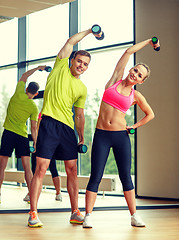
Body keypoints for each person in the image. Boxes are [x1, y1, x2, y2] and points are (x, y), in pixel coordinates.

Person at [28, 27, 100, 228]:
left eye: (85, 64)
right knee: (41, 169)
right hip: (49, 124)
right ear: (71, 60)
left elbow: (79, 115)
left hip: (67, 130)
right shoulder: (59, 67)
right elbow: (69, 42)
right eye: (79, 61)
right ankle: (33, 212)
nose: (81, 65)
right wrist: (89, 32)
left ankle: (75, 212)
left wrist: (82, 137)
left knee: (72, 169)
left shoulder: (82, 88)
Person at [83, 38, 158, 228]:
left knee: (125, 176)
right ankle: (88, 215)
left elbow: (150, 114)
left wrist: (134, 126)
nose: (135, 74)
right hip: (101, 135)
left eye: (139, 75)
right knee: (96, 176)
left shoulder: (136, 96)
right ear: (131, 70)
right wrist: (149, 41)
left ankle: (134, 216)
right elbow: (128, 52)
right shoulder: (115, 80)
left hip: (120, 138)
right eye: (135, 70)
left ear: (141, 80)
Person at [0, 66, 45, 203]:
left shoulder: (19, 91)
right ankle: (32, 195)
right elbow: (33, 127)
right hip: (22, 137)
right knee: (27, 168)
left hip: (8, 134)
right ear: (36, 94)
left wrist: (38, 68)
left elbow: (25, 75)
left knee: (1, 166)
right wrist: (36, 142)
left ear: (26, 89)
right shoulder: (33, 106)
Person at [23, 112, 62, 203]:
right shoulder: (42, 114)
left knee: (52, 169)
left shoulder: (52, 114)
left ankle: (58, 193)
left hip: (47, 145)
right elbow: (36, 129)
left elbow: (36, 128)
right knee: (35, 171)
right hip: (40, 144)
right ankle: (31, 193)